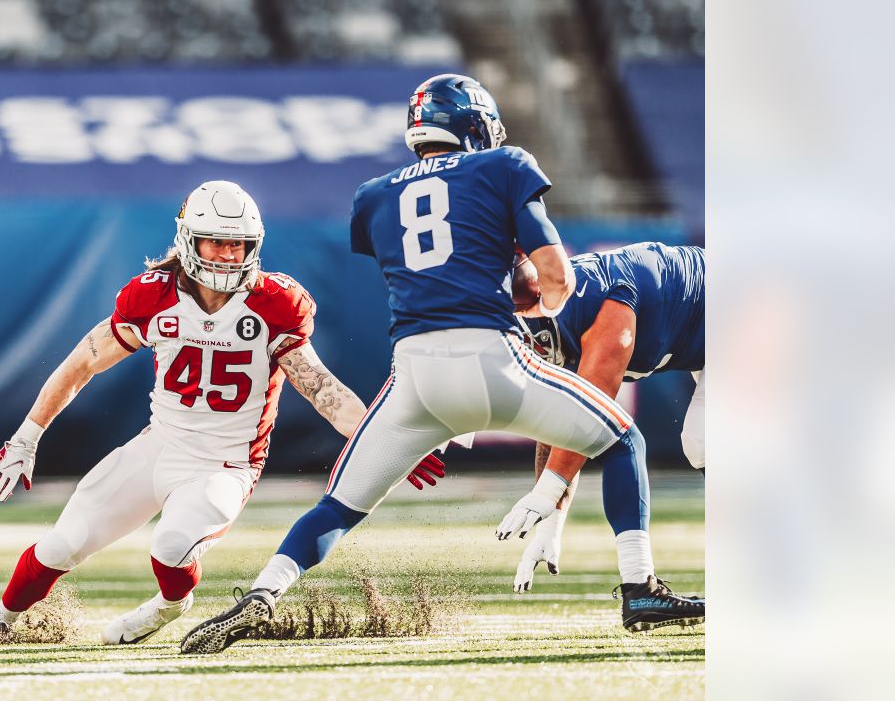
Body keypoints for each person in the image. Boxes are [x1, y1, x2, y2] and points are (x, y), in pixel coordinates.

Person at [180, 75, 703, 655]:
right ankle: (640, 587)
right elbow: (553, 276)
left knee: (339, 505)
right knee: (622, 438)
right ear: (476, 126)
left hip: (413, 376)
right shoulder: (504, 165)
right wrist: (554, 311)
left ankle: (262, 593)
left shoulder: (374, 194)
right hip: (490, 357)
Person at [0, 180, 443, 647]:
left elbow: (322, 390)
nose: (230, 255)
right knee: (62, 543)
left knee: (171, 546)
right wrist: (26, 437)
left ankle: (170, 604)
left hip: (225, 463)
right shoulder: (153, 296)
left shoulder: (274, 304)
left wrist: (383, 437)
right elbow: (82, 363)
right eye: (217, 243)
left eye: (240, 245)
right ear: (189, 240)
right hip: (160, 443)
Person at [509, 242, 705, 593]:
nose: (528, 347)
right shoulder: (550, 312)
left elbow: (588, 418)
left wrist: (547, 493)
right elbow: (561, 426)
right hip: (701, 339)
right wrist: (551, 525)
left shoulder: (609, 307)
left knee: (705, 441)